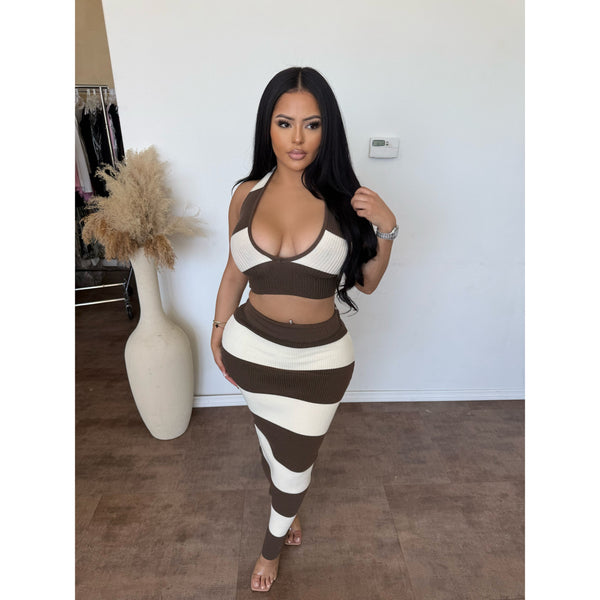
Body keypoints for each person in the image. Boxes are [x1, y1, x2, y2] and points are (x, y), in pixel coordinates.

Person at [211, 66, 398, 592]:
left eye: (311, 125)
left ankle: (270, 548)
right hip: (250, 349)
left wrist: (387, 227)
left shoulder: (346, 199)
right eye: (284, 123)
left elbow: (367, 284)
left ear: (326, 129)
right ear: (267, 127)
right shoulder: (245, 194)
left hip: (320, 363)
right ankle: (286, 510)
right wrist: (218, 328)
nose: (297, 138)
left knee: (296, 465)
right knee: (273, 446)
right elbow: (234, 270)